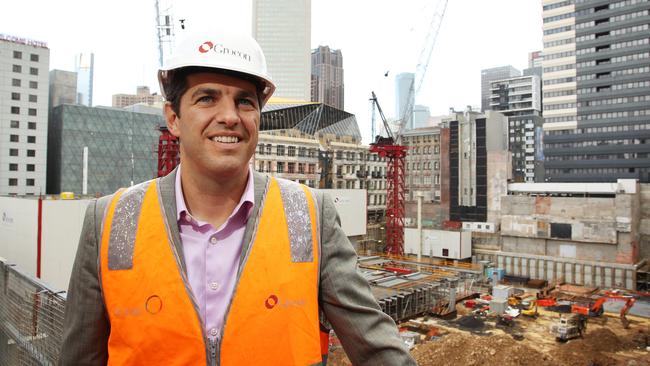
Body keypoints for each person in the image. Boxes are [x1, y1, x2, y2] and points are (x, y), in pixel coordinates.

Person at [60, 27, 416, 366]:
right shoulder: (110, 220)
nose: (229, 116)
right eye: (207, 98)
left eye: (245, 102)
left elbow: (374, 344)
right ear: (173, 118)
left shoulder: (308, 214)